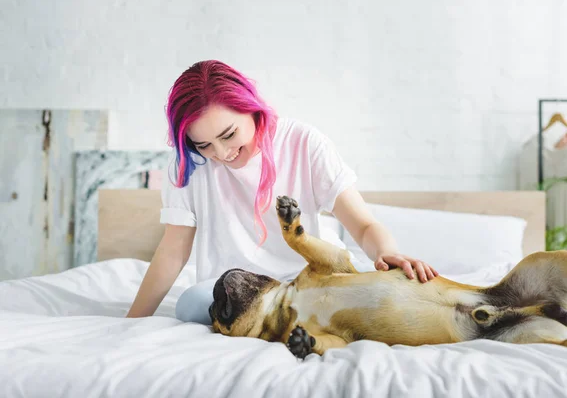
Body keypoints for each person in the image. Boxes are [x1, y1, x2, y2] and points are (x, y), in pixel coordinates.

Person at [126, 60, 438, 323]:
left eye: (229, 134)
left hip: (307, 283)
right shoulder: (187, 164)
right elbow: (173, 250)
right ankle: (284, 321)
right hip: (232, 291)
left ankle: (284, 320)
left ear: (251, 109)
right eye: (204, 144)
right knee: (191, 306)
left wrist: (387, 254)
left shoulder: (303, 142)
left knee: (378, 300)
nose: (221, 153)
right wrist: (131, 324)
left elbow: (363, 224)